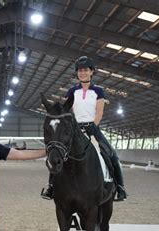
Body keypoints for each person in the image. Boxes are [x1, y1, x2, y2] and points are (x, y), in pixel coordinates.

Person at [41, 55, 128, 201]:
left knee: (111, 154)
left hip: (92, 128)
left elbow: (99, 112)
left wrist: (93, 126)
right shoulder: (71, 92)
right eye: (80, 71)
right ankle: (51, 186)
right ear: (77, 73)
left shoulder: (98, 91)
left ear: (91, 72)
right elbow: (68, 110)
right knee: (58, 153)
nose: (82, 73)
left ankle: (120, 187)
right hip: (75, 129)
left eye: (85, 70)